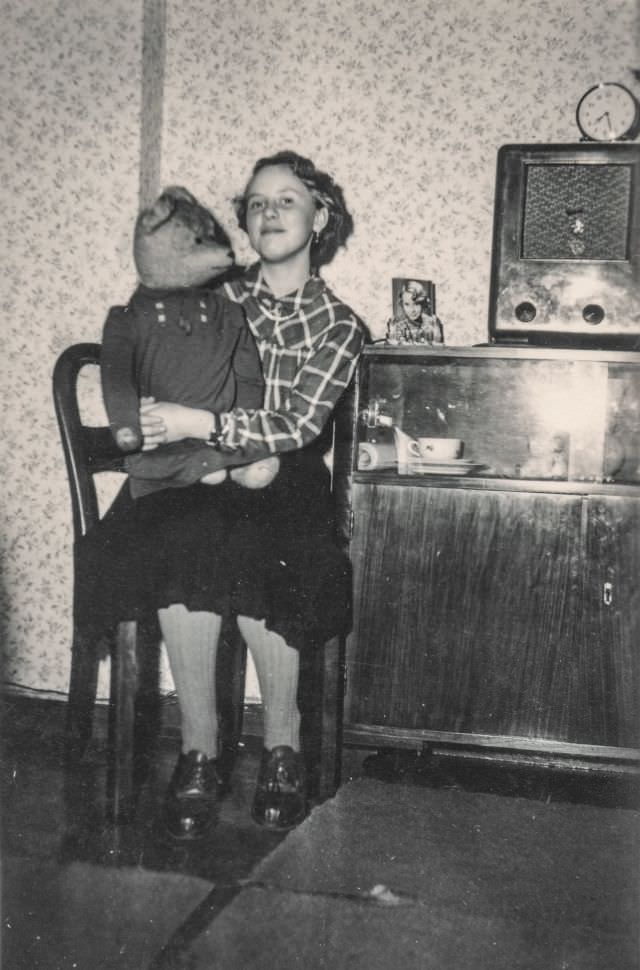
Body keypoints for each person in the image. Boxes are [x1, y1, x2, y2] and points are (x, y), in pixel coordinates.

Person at [75, 150, 366, 839]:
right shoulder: (210, 295)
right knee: (178, 535)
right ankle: (200, 749)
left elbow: (297, 423)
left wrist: (206, 423)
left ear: (320, 218)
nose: (269, 212)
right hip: (193, 470)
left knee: (271, 540)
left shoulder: (338, 324)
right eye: (258, 202)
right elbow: (148, 353)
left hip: (283, 473)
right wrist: (153, 414)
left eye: (287, 200)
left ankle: (284, 747)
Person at [386, 279, 443, 345]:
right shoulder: (396, 324)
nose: (412, 310)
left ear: (423, 303)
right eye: (407, 304)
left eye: (416, 304)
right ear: (402, 304)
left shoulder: (432, 322)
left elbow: (438, 348)